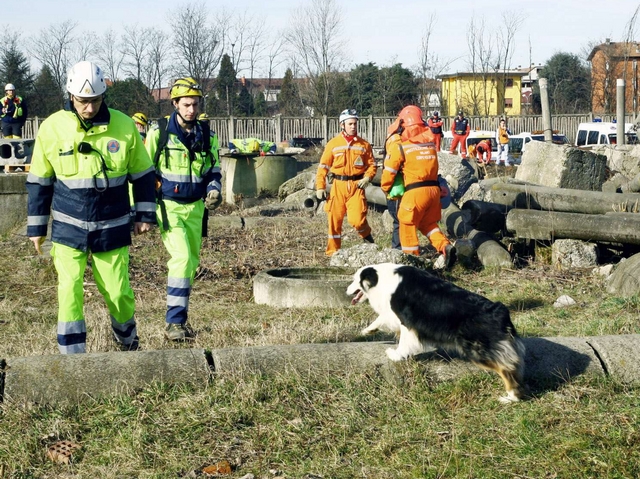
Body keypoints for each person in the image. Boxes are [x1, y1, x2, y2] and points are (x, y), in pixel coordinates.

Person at [26, 61, 157, 354]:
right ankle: (73, 359)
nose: (89, 108)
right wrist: (36, 228)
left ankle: (128, 342)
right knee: (69, 291)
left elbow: (143, 174)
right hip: (67, 228)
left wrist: (145, 215)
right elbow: (39, 181)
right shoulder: (52, 128)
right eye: (83, 101)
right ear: (70, 96)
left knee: (118, 292)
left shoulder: (124, 126)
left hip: (112, 227)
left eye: (95, 101)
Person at [145, 77, 222, 341]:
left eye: (196, 104)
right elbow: (145, 172)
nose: (192, 110)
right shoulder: (160, 133)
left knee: (191, 265)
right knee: (181, 259)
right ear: (175, 104)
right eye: (187, 104)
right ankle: (174, 323)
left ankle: (181, 320)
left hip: (196, 209)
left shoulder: (207, 134)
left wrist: (214, 189)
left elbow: (214, 169)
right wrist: (143, 211)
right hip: (169, 207)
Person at [382, 105, 456, 269]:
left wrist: (386, 188)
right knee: (428, 225)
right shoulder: (429, 146)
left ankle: (411, 264)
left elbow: (389, 173)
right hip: (433, 192)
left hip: (414, 193)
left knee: (406, 224)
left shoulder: (401, 147)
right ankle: (445, 247)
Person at [315, 109, 376, 256]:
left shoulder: (364, 145)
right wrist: (320, 186)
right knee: (334, 221)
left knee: (357, 220)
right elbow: (323, 167)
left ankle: (367, 238)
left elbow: (372, 165)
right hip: (338, 187)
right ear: (342, 125)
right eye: (350, 124)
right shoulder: (333, 144)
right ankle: (332, 253)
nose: (353, 126)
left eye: (355, 124)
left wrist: (368, 178)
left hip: (356, 187)